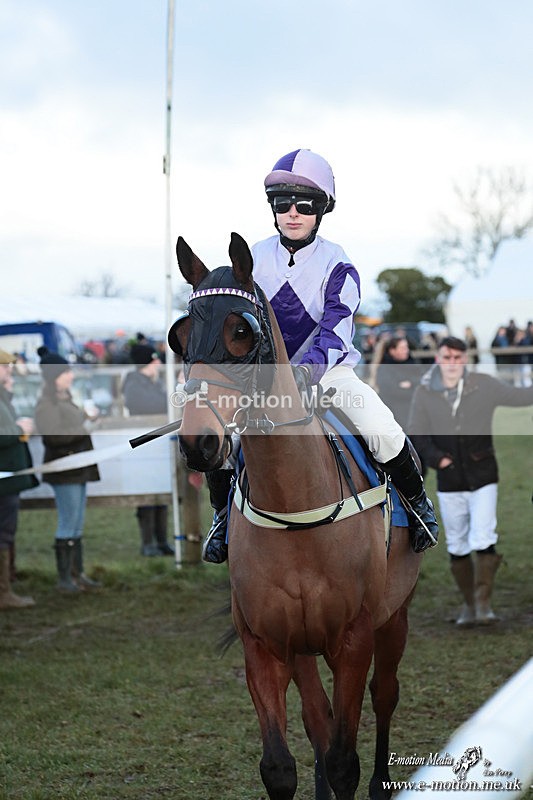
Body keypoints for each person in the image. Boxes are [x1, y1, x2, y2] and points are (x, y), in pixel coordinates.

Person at [202, 148, 438, 563]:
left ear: (322, 210)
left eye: (305, 205)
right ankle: (223, 518)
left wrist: (304, 372)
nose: (292, 213)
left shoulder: (338, 264)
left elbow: (335, 331)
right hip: (263, 379)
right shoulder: (252, 258)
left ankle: (418, 506)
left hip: (328, 374)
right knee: (220, 439)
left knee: (381, 428)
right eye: (282, 203)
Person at [408, 336, 533, 626]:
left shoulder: (483, 384)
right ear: (438, 359)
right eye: (447, 357)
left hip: (483, 474)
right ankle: (468, 605)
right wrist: (438, 459)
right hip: (449, 479)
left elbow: (520, 396)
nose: (452, 363)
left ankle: (483, 604)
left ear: (465, 359)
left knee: (483, 535)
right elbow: (416, 433)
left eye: (458, 358)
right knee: (457, 542)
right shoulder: (424, 392)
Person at [34, 347, 101, 593]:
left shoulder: (64, 399)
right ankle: (65, 579)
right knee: (68, 523)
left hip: (76, 467)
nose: (70, 376)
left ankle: (76, 574)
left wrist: (86, 418)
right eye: (65, 373)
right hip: (64, 470)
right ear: (54, 377)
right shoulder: (46, 404)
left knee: (76, 523)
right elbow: (54, 437)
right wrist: (85, 428)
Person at [122, 344, 173, 557]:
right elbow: (149, 405)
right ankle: (148, 542)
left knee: (162, 492)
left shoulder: (154, 382)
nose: (158, 364)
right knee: (147, 495)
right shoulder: (134, 384)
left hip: (158, 443)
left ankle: (161, 540)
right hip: (144, 446)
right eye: (154, 360)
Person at [0, 349, 38, 610]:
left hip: (7, 479)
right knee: (3, 534)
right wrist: (19, 429)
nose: (9, 371)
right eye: (5, 367)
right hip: (4, 480)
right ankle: (3, 594)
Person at [376, 336, 423, 429]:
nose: (406, 350)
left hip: (416, 411)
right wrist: (413, 387)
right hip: (397, 414)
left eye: (406, 347)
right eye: (402, 348)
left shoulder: (413, 363)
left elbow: (422, 381)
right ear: (392, 351)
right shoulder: (384, 368)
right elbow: (392, 391)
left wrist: (410, 384)